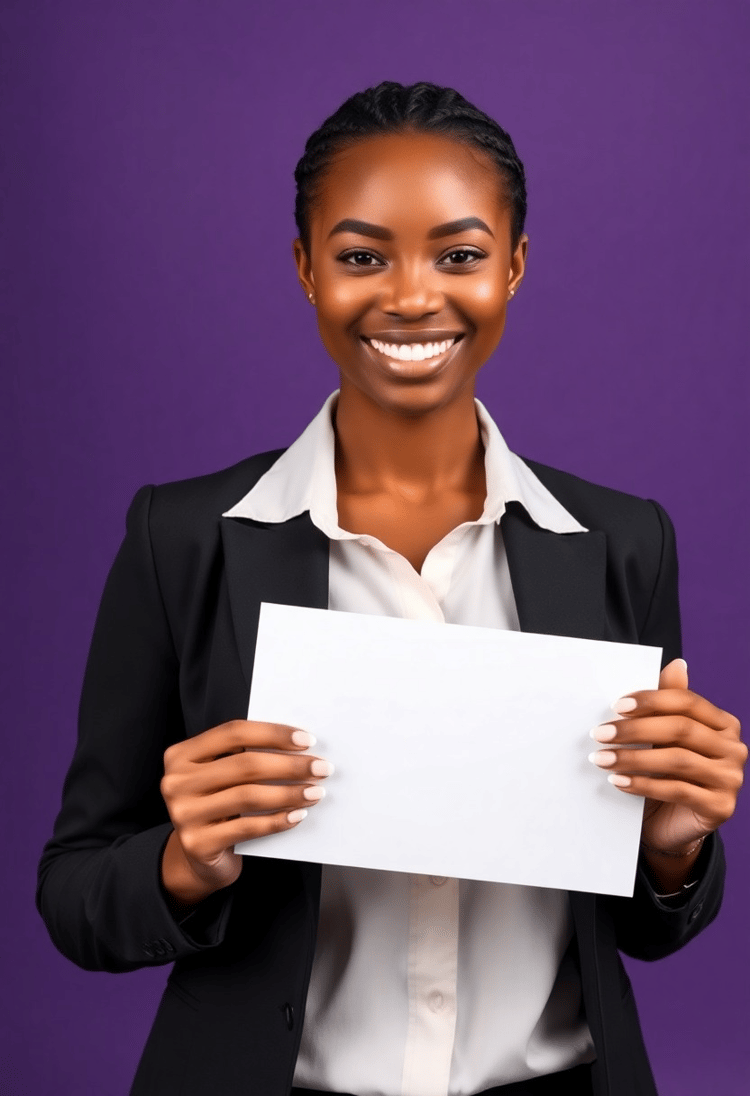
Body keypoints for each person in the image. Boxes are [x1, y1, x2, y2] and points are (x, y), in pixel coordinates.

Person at [37, 82, 745, 1096]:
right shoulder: (183, 539)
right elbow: (73, 893)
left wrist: (675, 848)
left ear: (515, 265)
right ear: (305, 268)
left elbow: (644, 922)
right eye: (361, 256)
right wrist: (182, 863)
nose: (412, 295)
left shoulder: (620, 543)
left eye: (459, 254)